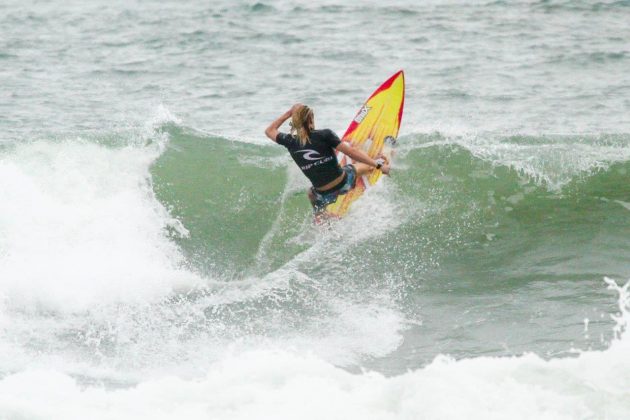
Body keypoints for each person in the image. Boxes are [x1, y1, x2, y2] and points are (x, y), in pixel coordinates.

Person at [265, 103, 390, 213]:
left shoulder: (289, 141)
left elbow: (269, 131)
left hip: (322, 194)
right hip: (344, 183)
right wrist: (378, 165)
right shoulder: (324, 135)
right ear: (311, 119)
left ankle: (321, 219)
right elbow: (351, 152)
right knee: (359, 166)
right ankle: (380, 162)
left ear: (295, 121)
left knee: (311, 193)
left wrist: (288, 113)